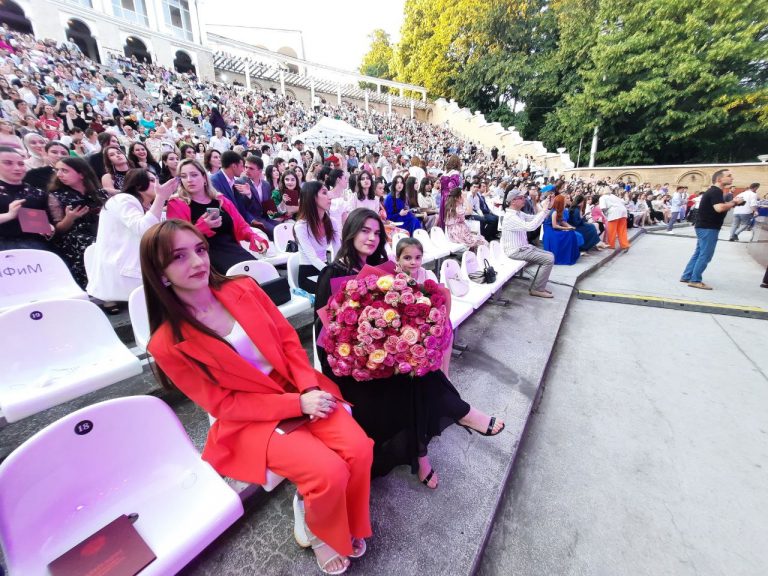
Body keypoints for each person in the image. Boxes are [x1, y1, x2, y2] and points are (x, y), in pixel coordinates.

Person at [142, 219, 372, 575]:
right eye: (179, 256)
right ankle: (322, 531)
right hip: (250, 418)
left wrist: (308, 388)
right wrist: (296, 404)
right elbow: (223, 405)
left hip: (297, 386)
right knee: (326, 471)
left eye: (200, 249)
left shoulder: (243, 288)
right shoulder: (166, 343)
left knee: (359, 449)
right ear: (160, 273)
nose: (198, 262)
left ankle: (344, 519)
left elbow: (288, 342)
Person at [314, 208, 504, 490]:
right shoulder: (333, 273)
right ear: (351, 232)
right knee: (414, 383)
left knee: (419, 372)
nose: (371, 238)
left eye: (377, 233)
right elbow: (326, 335)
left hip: (385, 358)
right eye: (365, 231)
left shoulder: (383, 268)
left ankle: (425, 451)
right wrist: (360, 360)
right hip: (352, 369)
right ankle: (450, 424)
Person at [87, 169, 176, 306]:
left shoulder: (144, 205)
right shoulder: (123, 199)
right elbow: (145, 229)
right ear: (138, 185)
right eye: (152, 181)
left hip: (135, 266)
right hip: (123, 270)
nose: (157, 185)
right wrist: (161, 197)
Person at [166, 158, 267, 274]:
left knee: (264, 274)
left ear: (204, 178)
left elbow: (241, 225)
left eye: (194, 175)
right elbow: (177, 240)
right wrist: (201, 227)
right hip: (203, 258)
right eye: (184, 176)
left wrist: (254, 237)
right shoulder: (176, 204)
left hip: (232, 250)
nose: (189, 180)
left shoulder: (221, 200)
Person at [394, 237, 453, 376]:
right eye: (407, 258)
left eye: (418, 257)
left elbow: (439, 300)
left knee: (447, 327)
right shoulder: (395, 278)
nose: (413, 262)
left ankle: (443, 373)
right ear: (398, 259)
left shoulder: (428, 274)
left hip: (428, 320)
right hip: (406, 325)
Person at [47, 157, 109, 287]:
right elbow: (58, 230)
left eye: (64, 171)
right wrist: (70, 218)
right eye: (57, 170)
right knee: (94, 245)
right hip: (75, 238)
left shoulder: (99, 193)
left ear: (81, 174)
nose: (59, 174)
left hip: (101, 231)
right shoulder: (56, 196)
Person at [681, 169, 745, 290]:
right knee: (705, 255)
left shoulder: (714, 191)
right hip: (708, 228)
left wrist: (732, 203)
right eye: (729, 176)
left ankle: (687, 276)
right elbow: (719, 208)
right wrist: (734, 202)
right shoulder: (716, 191)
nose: (732, 178)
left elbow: (718, 208)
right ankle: (695, 280)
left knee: (699, 253)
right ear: (719, 179)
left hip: (704, 226)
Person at [501, 188, 556, 298]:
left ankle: (538, 286)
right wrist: (544, 210)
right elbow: (530, 227)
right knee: (548, 259)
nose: (524, 199)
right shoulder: (510, 217)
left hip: (523, 248)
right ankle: (537, 289)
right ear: (513, 201)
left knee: (550, 255)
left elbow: (534, 218)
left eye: (524, 197)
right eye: (521, 198)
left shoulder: (518, 213)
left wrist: (548, 208)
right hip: (515, 251)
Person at [0, 145, 54, 251]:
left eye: (21, 164)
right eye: (8, 163)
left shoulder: (37, 193)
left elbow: (48, 221)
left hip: (35, 246)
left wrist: (48, 227)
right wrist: (9, 215)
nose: (17, 168)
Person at [295, 181, 341, 293]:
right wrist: (331, 272)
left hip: (325, 268)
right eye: (324, 193)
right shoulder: (301, 226)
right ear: (312, 197)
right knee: (335, 290)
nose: (330, 197)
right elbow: (313, 258)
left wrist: (340, 268)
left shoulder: (332, 222)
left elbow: (338, 250)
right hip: (308, 273)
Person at [443, 186, 487, 251]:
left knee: (479, 238)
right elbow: (470, 211)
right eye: (461, 196)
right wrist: (466, 199)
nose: (463, 197)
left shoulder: (455, 206)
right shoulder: (456, 208)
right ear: (456, 198)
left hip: (459, 231)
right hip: (457, 233)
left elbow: (469, 210)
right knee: (481, 241)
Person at [599, 187, 630, 251]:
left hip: (613, 213)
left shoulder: (602, 198)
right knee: (622, 231)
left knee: (612, 231)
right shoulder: (613, 196)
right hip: (623, 212)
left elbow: (603, 208)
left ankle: (611, 245)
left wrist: (606, 214)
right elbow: (625, 202)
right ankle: (625, 245)